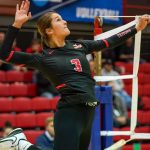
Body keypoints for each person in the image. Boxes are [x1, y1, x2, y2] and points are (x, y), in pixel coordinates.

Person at [0, 1, 149, 150]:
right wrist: (17, 24)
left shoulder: (79, 46)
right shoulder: (43, 58)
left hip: (89, 112)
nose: (65, 21)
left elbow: (109, 41)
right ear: (49, 31)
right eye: (58, 19)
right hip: (70, 112)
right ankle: (21, 144)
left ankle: (20, 143)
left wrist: (136, 28)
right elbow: (4, 55)